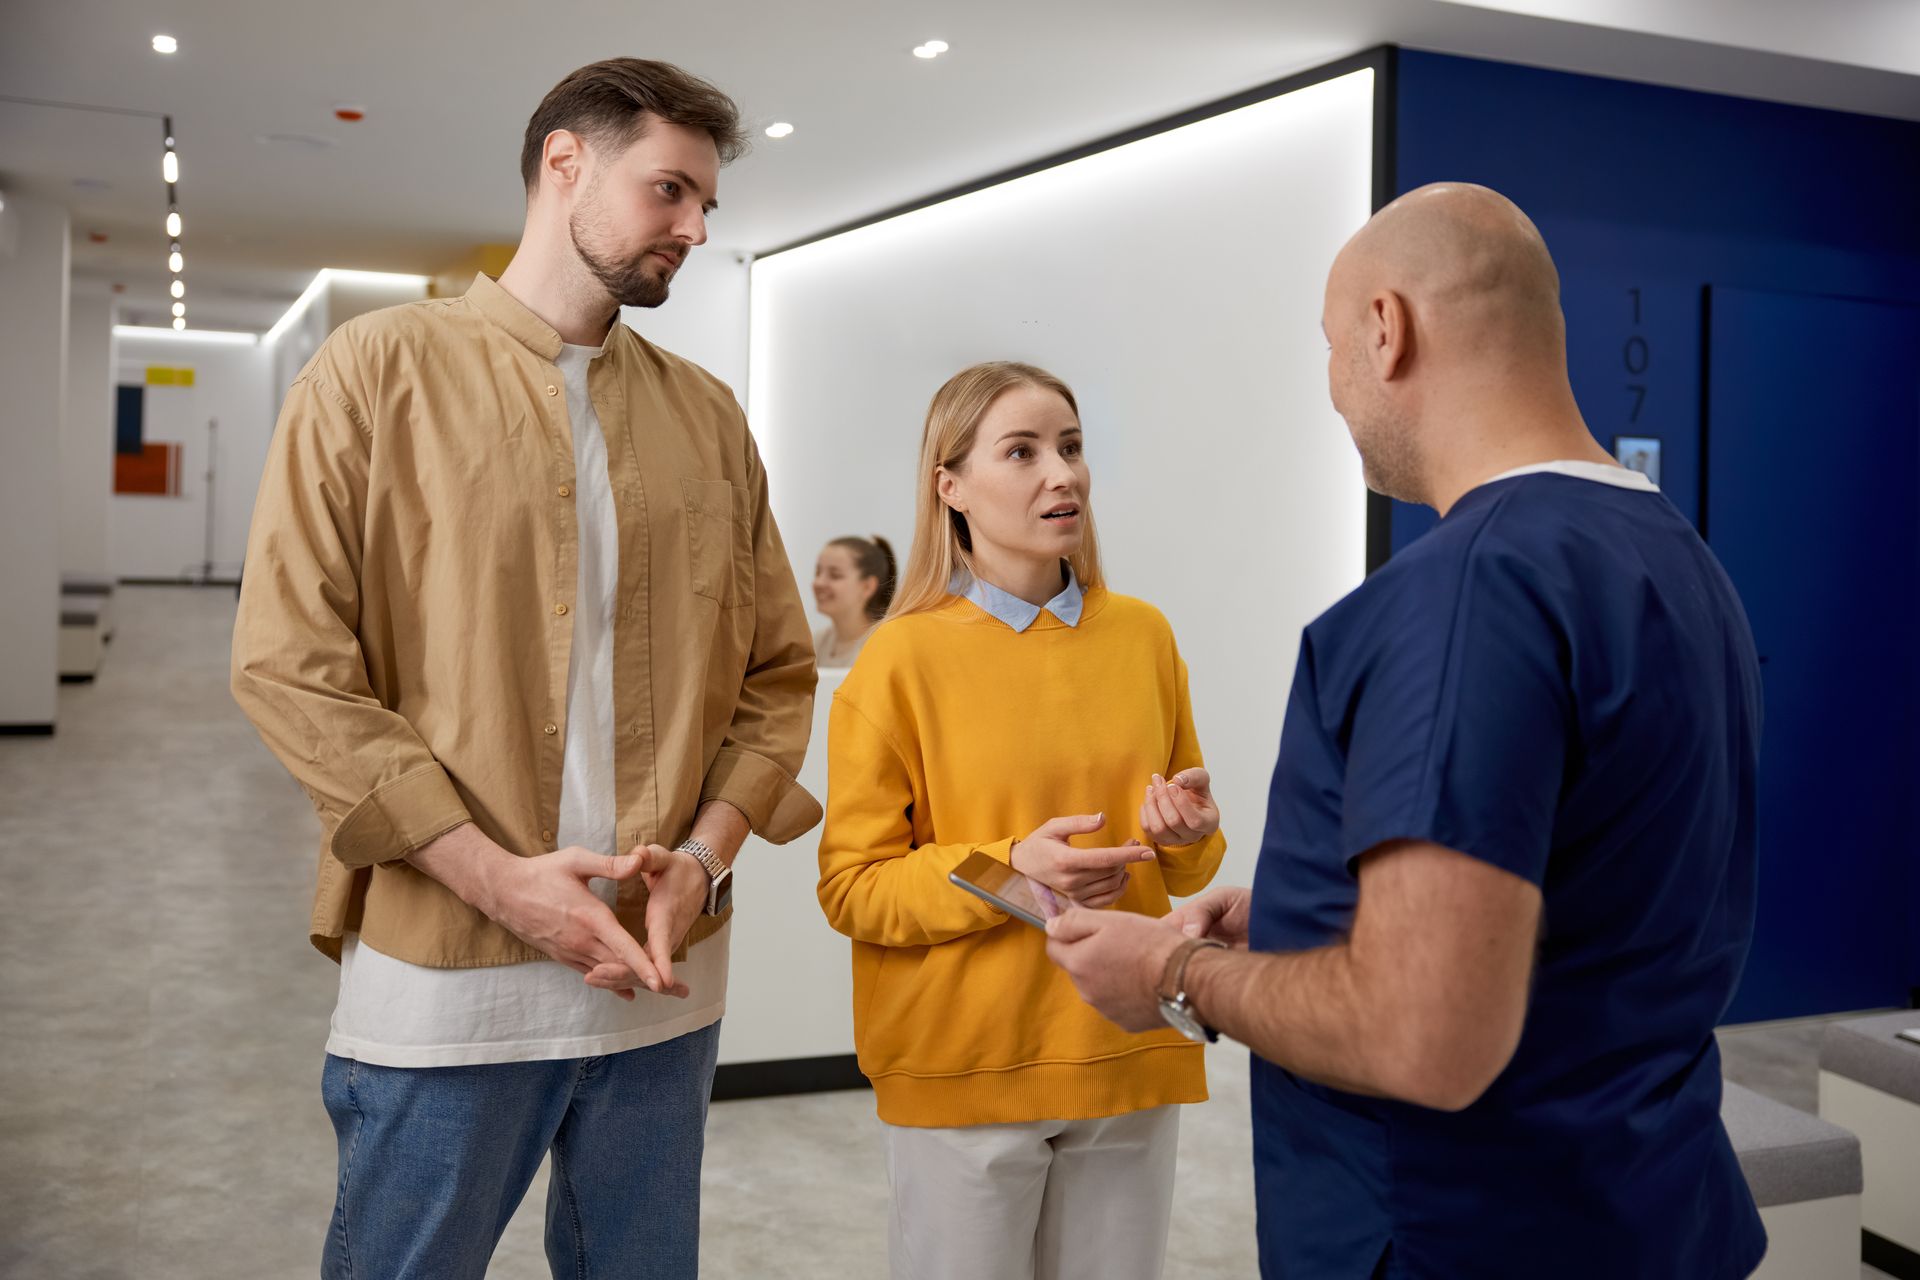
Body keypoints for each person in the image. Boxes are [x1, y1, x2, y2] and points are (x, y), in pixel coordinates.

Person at [1044, 184, 1767, 1278]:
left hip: (1458, 1229)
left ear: (1388, 330)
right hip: (1647, 1209)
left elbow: (1424, 1034)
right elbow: (1587, 888)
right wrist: (1299, 910)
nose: (1334, 388)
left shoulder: (1467, 590)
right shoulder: (1674, 555)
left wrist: (1175, 969)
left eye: (1332, 348)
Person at [231, 58, 821, 1280]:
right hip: (448, 986)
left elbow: (777, 674)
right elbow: (291, 665)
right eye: (670, 190)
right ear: (566, 163)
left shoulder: (710, 417)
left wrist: (705, 858)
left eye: (706, 203)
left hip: (665, 986)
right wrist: (498, 879)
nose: (696, 228)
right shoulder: (374, 374)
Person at [816, 361, 1227, 1280]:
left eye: (1072, 448)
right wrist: (1013, 868)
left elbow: (1191, 870)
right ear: (950, 486)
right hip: (964, 1065)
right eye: (1024, 451)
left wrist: (1188, 836)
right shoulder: (900, 662)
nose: (1063, 474)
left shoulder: (1144, 636)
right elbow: (852, 888)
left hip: (1127, 1044)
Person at [812, 534, 896, 667]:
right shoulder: (817, 643)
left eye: (835, 575)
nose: (819, 582)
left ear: (867, 586)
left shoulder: (884, 647)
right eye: (818, 572)